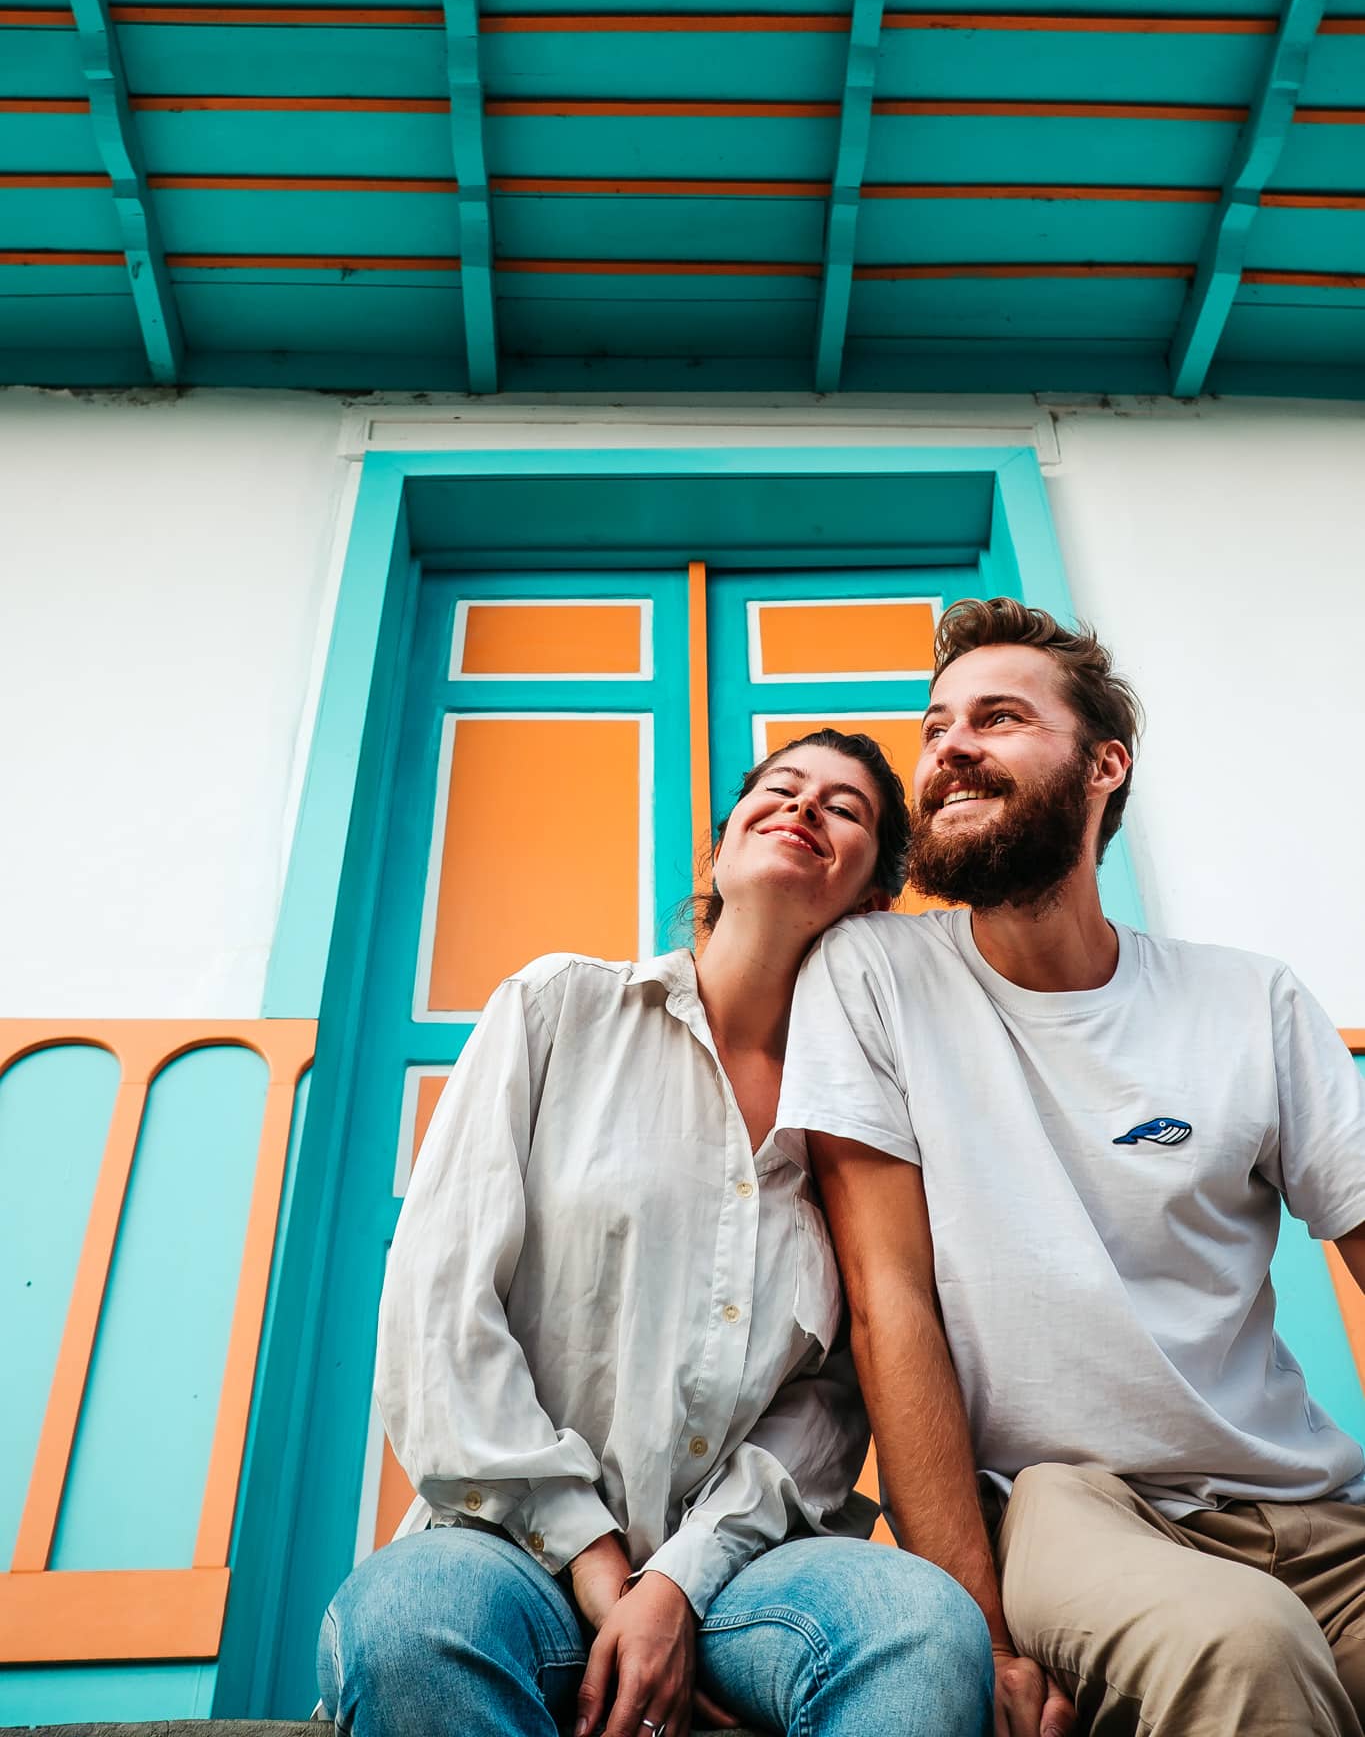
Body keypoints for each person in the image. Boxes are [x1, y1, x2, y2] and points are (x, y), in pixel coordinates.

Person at [317, 729, 995, 1737]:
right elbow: (440, 1307)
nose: (804, 806)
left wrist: (675, 1582)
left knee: (921, 1627)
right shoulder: (559, 1007)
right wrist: (599, 1565)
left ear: (871, 900)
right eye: (780, 787)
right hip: (509, 1551)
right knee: (410, 1618)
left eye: (844, 807)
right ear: (722, 845)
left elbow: (822, 1408)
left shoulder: (861, 1122)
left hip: (743, 1580)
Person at [777, 600, 1365, 1737]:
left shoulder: (1249, 999)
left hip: (1311, 1503)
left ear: (1105, 765)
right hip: (1067, 1503)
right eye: (936, 726)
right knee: (1244, 1647)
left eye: (996, 718)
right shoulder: (872, 975)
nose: (949, 748)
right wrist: (981, 1634)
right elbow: (888, 1303)